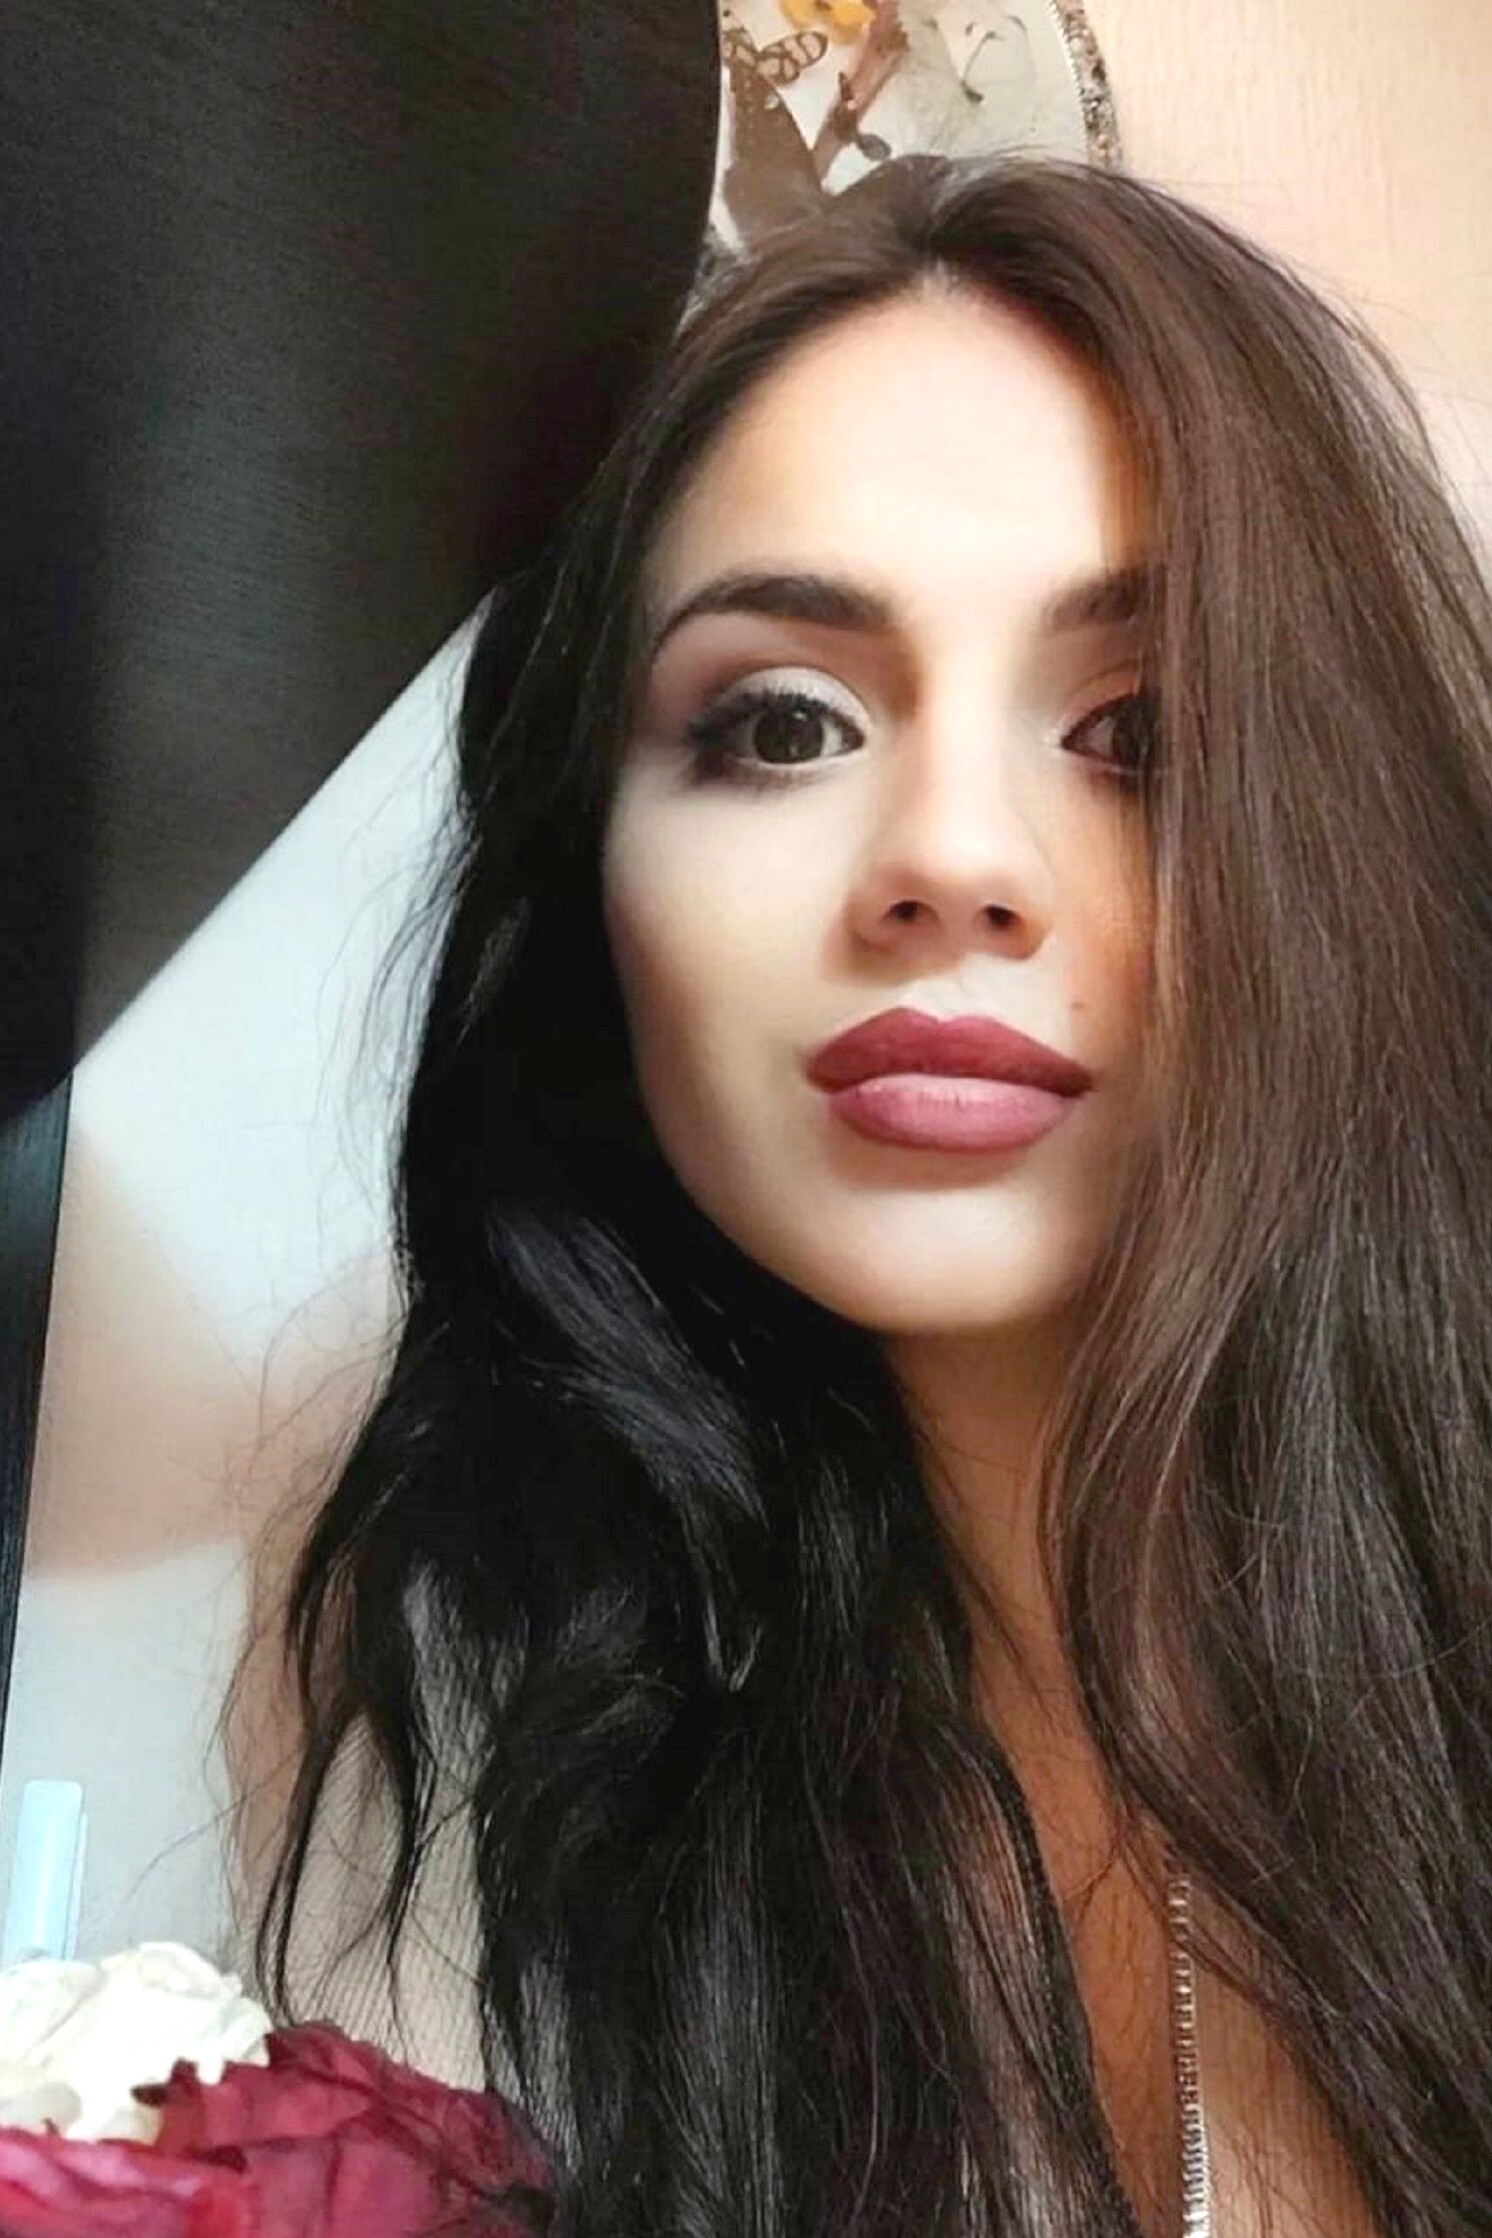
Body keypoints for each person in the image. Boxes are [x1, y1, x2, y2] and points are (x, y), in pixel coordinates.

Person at [231, 153, 1492, 2236]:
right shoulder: (476, 1706)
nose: (951, 860)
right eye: (782, 723)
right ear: (586, 886)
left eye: (1141, 730)